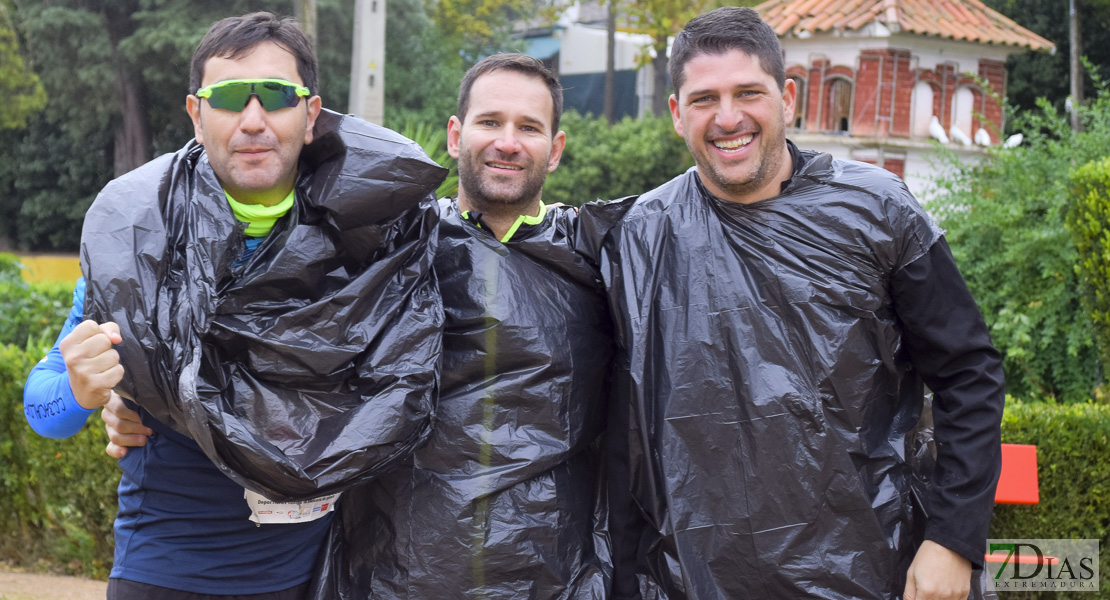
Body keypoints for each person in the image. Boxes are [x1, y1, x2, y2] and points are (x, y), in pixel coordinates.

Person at [104, 53, 615, 599]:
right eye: (490, 122)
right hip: (391, 578)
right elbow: (262, 343)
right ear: (454, 134)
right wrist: (140, 393)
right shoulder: (374, 249)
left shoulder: (595, 260)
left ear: (555, 149)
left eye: (529, 127)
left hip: (549, 579)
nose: (507, 142)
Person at [582, 7, 1006, 600]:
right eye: (704, 99)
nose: (728, 118)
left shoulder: (879, 214)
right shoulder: (638, 238)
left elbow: (968, 374)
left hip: (872, 568)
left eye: (748, 92)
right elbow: (626, 433)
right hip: (692, 580)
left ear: (786, 98)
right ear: (677, 114)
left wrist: (955, 540)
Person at [24, 12, 444, 600]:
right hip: (166, 573)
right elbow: (41, 410)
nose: (252, 121)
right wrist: (81, 391)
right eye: (227, 99)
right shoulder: (138, 243)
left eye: (276, 96)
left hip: (312, 576)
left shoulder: (375, 242)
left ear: (311, 113)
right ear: (196, 114)